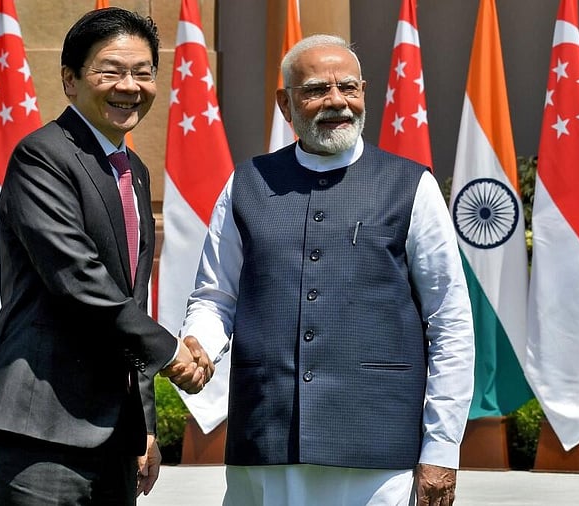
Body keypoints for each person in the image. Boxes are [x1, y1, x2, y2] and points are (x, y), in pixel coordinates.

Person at [181, 34, 475, 506]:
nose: (337, 101)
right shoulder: (247, 183)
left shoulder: (413, 186)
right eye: (317, 89)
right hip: (265, 439)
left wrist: (442, 447)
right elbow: (216, 298)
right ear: (285, 103)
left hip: (377, 448)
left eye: (349, 88)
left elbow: (450, 322)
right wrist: (201, 347)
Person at [0, 8, 212, 505]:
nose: (130, 86)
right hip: (40, 425)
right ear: (70, 80)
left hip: (114, 433)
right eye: (111, 70)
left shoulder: (133, 171)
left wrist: (142, 423)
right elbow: (77, 279)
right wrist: (170, 354)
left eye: (143, 73)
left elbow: (129, 300)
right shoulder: (42, 157)